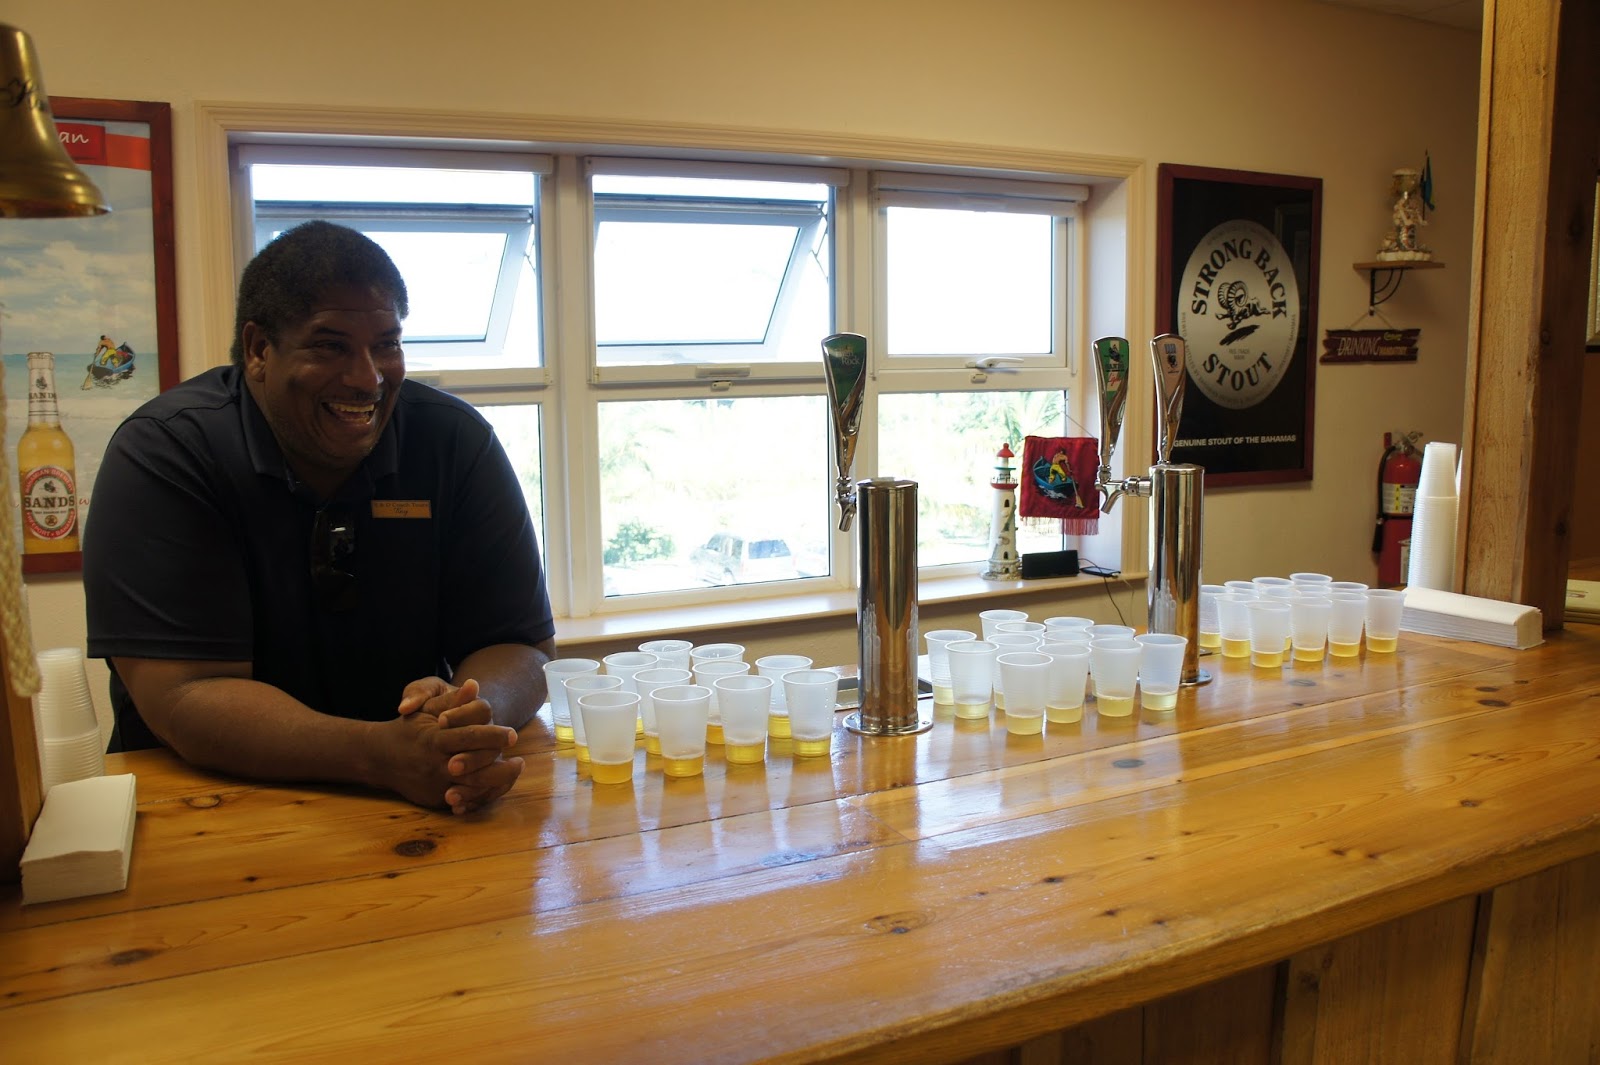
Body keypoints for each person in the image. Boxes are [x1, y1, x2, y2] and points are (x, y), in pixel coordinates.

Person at [84, 221, 556, 815]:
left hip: (421, 801)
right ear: (258, 350)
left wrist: (464, 719)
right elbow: (185, 694)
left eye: (386, 343)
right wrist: (379, 754)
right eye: (330, 346)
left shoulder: (454, 443)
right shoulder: (166, 453)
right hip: (207, 808)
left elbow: (519, 645)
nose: (367, 377)